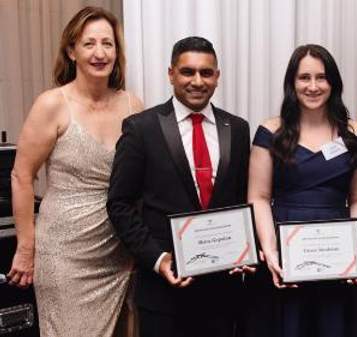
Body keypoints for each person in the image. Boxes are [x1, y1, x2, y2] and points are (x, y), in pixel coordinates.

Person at [7, 6, 143, 337]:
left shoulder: (133, 105)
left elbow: (142, 181)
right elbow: (21, 177)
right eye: (89, 43)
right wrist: (26, 248)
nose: (100, 53)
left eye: (108, 44)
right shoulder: (52, 104)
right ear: (72, 50)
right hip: (66, 255)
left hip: (120, 255)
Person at [107, 36, 250, 337]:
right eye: (187, 72)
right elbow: (119, 204)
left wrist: (246, 251)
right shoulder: (141, 128)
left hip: (223, 292)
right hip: (164, 291)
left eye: (206, 73)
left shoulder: (236, 128)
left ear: (217, 77)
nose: (197, 81)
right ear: (171, 74)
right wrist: (158, 260)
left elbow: (242, 198)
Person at [243, 44, 357, 337]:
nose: (313, 86)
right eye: (304, 78)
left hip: (337, 253)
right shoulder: (270, 132)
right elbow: (258, 197)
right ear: (292, 83)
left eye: (321, 77)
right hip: (283, 253)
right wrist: (270, 250)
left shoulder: (356, 134)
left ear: (333, 83)